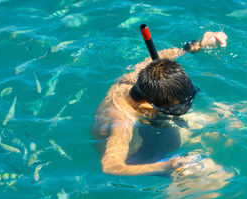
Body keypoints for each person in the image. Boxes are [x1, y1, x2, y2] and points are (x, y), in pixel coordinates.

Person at [92, 31, 228, 175]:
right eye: (175, 109)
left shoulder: (138, 77)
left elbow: (162, 57)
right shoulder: (121, 122)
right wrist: (168, 165)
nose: (182, 111)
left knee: (224, 113)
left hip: (148, 125)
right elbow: (110, 166)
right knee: (204, 169)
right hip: (138, 154)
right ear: (146, 108)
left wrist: (199, 44)